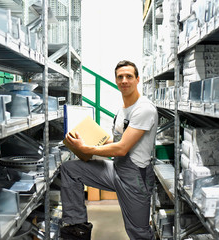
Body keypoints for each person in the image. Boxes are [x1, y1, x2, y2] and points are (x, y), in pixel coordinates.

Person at [60, 60, 158, 240]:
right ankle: (77, 228)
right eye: (120, 77)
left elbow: (121, 148)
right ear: (115, 81)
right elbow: (117, 140)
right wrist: (90, 139)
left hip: (136, 178)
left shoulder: (144, 109)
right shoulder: (123, 110)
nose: (124, 80)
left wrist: (87, 148)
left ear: (137, 79)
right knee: (70, 169)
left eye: (129, 76)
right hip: (117, 170)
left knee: (139, 232)